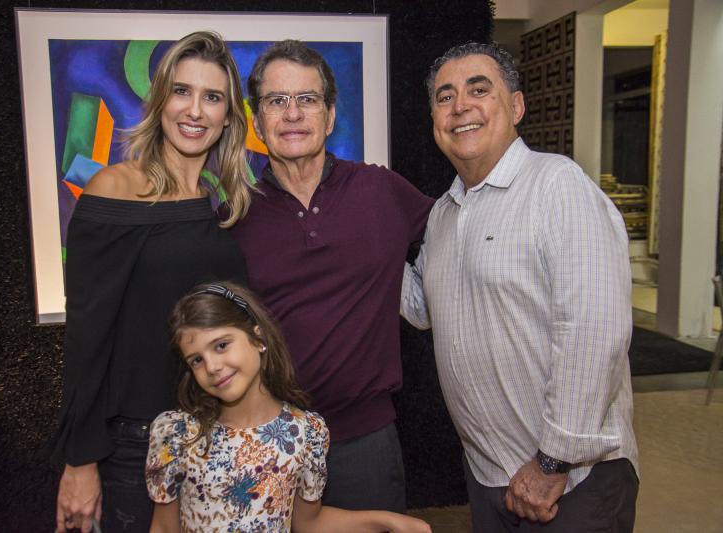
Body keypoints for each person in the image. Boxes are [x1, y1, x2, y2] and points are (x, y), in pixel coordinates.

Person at [401, 42, 639, 531]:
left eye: (478, 90)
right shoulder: (444, 213)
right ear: (434, 120)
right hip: (490, 474)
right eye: (445, 97)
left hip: (573, 480)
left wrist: (553, 461)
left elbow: (594, 331)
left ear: (516, 106)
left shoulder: (557, 186)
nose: (460, 106)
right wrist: (358, 249)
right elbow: (423, 305)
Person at [52, 32, 253, 533]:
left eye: (212, 97)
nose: (195, 110)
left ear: (229, 116)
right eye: (182, 91)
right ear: (160, 100)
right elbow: (86, 339)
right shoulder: (114, 188)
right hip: (136, 447)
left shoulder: (222, 204)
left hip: (219, 436)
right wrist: (80, 461)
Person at [228, 39, 435, 513]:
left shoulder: (381, 190)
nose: (293, 113)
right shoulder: (236, 216)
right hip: (269, 442)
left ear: (330, 115)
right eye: (277, 100)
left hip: (365, 442)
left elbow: (458, 234)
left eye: (307, 98)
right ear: (257, 121)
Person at [146, 282, 431, 533]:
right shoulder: (177, 433)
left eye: (221, 346)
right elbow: (163, 527)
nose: (212, 366)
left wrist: (389, 521)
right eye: (196, 360)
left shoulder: (305, 433)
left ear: (258, 339)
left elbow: (309, 523)